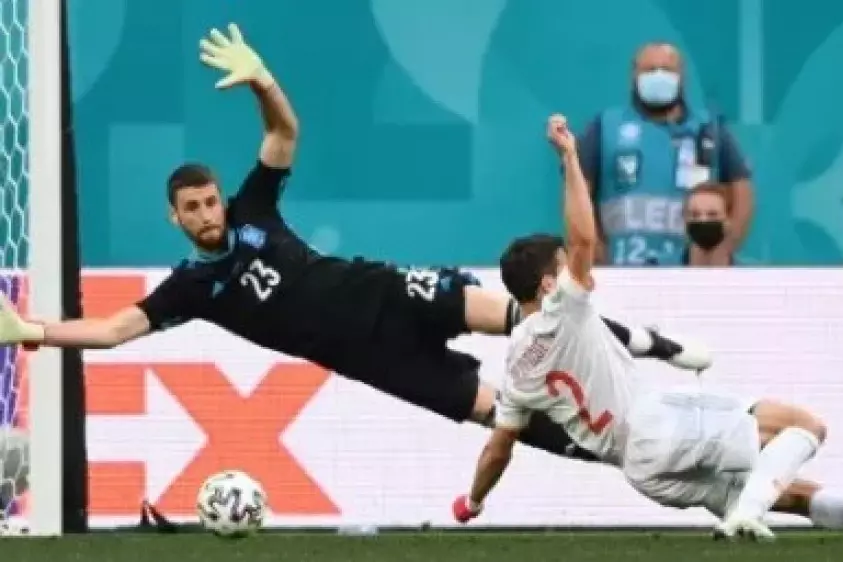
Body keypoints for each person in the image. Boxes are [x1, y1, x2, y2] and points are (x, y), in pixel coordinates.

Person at [0, 25, 705, 466]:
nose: (209, 214)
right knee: (500, 414)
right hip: (371, 358)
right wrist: (33, 331)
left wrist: (262, 82)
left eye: (211, 201)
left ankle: (654, 344)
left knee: (531, 317)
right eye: (194, 209)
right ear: (175, 218)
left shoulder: (252, 207)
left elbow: (284, 133)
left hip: (386, 292)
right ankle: (619, 455)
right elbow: (113, 330)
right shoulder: (192, 288)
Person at [450, 114, 843, 542]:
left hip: (641, 472)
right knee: (806, 426)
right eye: (562, 267)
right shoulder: (562, 309)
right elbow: (583, 238)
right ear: (547, 284)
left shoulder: (518, 363)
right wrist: (569, 158)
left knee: (791, 493)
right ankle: (746, 517)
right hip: (654, 427)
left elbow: (499, 448)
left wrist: (472, 501)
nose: (574, 270)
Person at [577, 42, 753, 266]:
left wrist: (722, 252)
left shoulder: (709, 129)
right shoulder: (606, 126)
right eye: (650, 69)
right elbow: (578, 192)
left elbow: (743, 192)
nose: (658, 76)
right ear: (634, 75)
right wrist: (596, 253)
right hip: (622, 269)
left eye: (667, 70)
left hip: (691, 272)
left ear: (682, 77)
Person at [681, 183, 739, 266]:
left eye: (712, 215)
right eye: (695, 215)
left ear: (728, 220)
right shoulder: (663, 268)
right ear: (685, 220)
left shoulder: (752, 272)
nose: (703, 220)